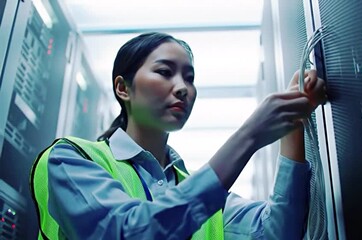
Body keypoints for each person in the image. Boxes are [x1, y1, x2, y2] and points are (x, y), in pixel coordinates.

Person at [30, 32, 326, 240]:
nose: (182, 87)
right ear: (123, 88)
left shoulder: (200, 192)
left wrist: (293, 123)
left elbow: (278, 232)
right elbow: (128, 232)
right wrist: (248, 137)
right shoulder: (71, 159)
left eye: (189, 77)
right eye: (164, 71)